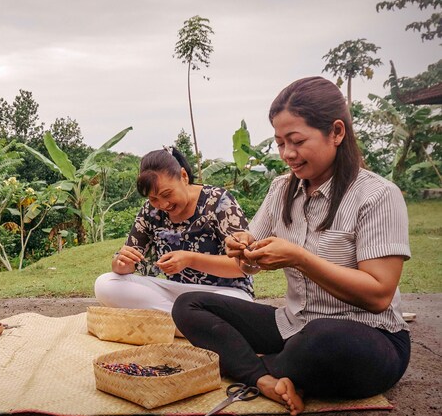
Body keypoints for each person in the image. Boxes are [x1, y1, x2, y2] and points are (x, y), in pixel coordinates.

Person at [172, 77, 411, 415]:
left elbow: (378, 294)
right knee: (189, 305)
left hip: (366, 337)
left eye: (296, 141)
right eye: (280, 142)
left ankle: (252, 368)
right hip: (293, 324)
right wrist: (243, 250)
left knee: (322, 339)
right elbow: (249, 261)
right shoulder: (282, 189)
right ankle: (269, 378)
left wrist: (300, 258)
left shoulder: (377, 196)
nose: (287, 154)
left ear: (337, 132)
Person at [94, 147, 254, 319]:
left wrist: (190, 259)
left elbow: (243, 267)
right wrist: (120, 264)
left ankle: (178, 321)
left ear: (183, 176)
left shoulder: (218, 200)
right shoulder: (150, 212)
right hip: (176, 297)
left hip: (224, 294)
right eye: (153, 199)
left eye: (166, 194)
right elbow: (130, 260)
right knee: (106, 284)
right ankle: (193, 322)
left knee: (234, 304)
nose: (162, 204)